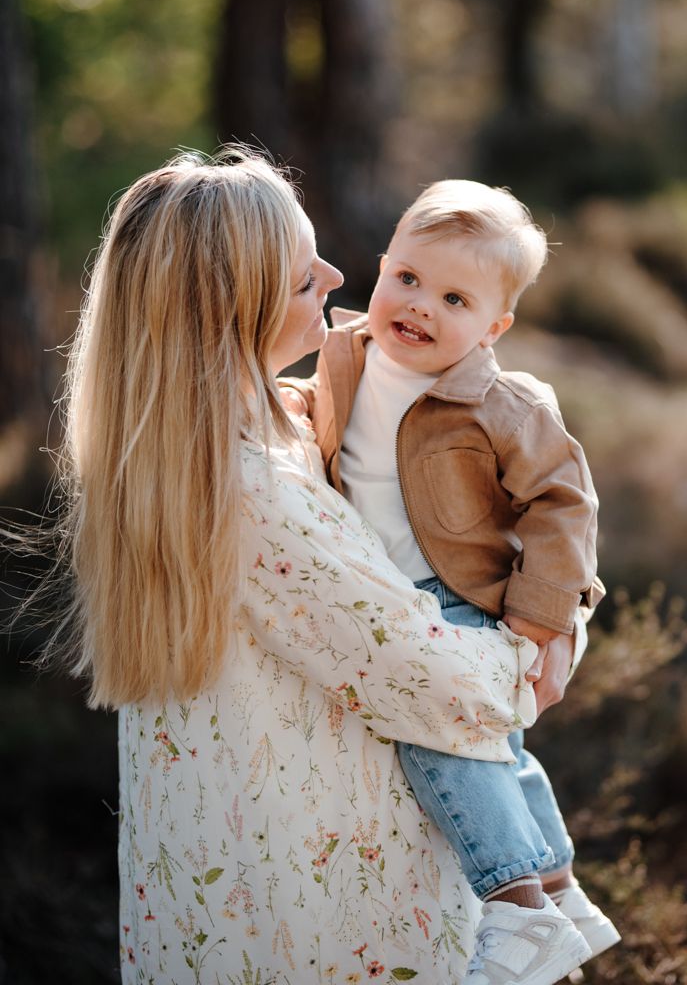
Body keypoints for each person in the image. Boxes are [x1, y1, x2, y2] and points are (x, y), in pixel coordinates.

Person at [37, 148, 571, 984]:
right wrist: (540, 642)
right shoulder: (246, 486)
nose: (332, 274)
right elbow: (442, 683)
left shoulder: (249, 434)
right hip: (317, 915)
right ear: (229, 307)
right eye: (297, 277)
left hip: (254, 892)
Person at [282, 179, 621, 985]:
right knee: (497, 747)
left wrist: (542, 623)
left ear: (492, 326)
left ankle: (515, 904)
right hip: (384, 590)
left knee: (441, 734)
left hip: (465, 600)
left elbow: (564, 506)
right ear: (381, 267)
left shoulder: (505, 404)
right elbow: (322, 417)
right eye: (407, 279)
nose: (420, 306)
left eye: (454, 298)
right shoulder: (344, 355)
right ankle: (560, 886)